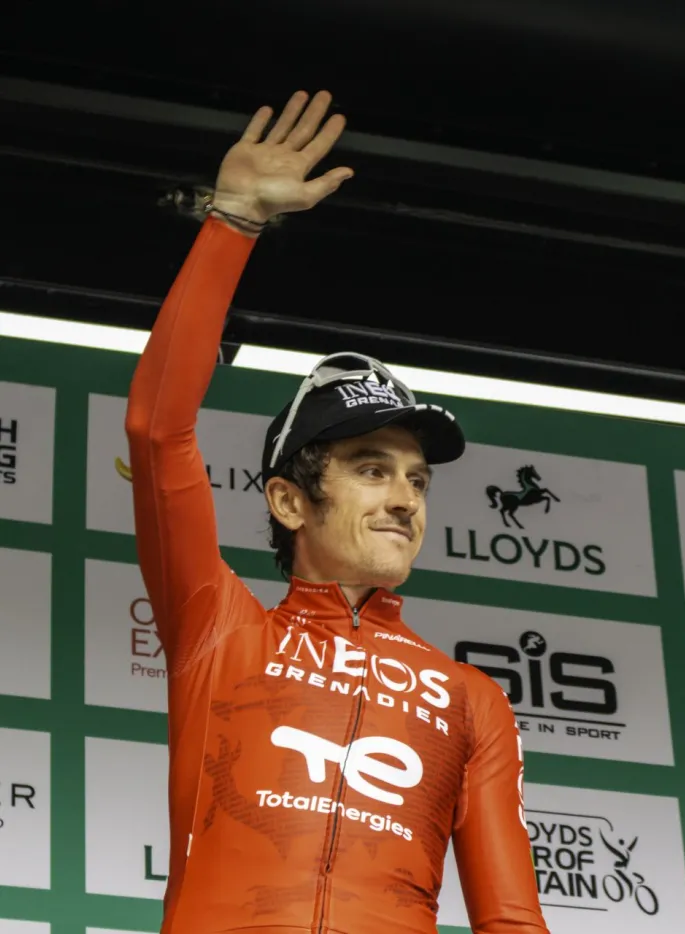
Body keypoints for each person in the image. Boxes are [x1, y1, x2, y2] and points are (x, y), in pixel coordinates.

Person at [126, 89, 550, 934]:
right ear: (288, 499)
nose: (404, 498)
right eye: (370, 469)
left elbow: (512, 919)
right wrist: (234, 221)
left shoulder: (473, 701)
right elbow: (157, 428)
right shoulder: (219, 630)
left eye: (418, 481)